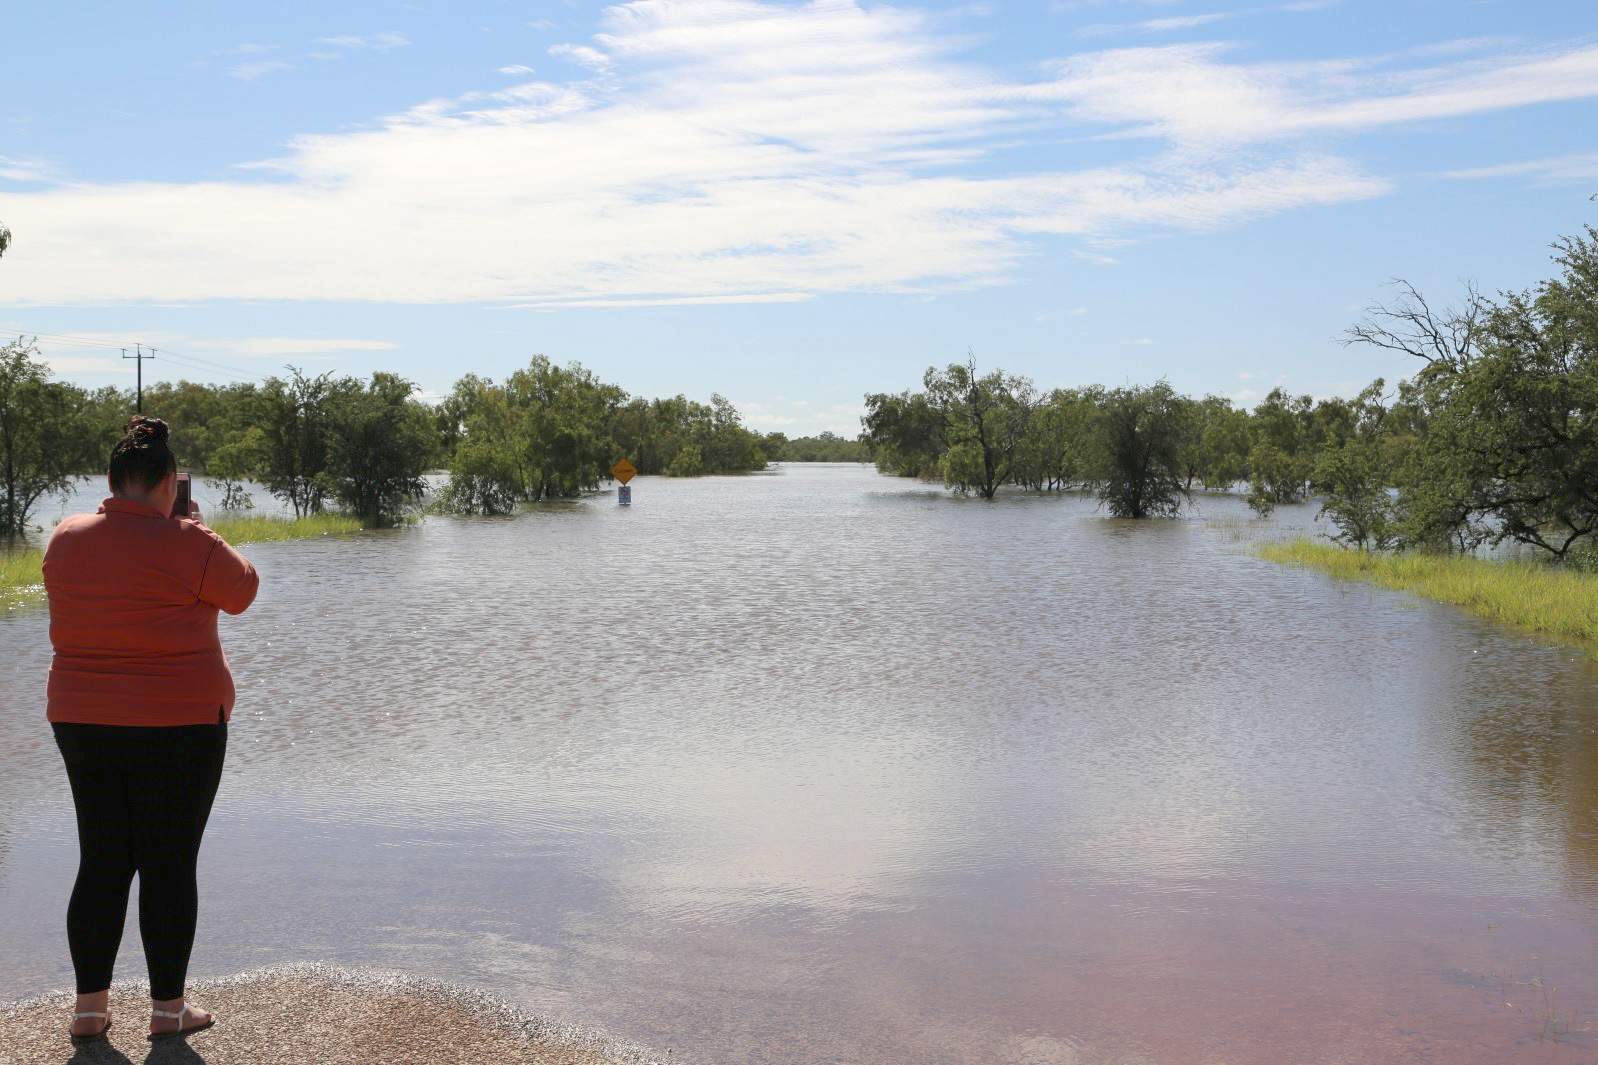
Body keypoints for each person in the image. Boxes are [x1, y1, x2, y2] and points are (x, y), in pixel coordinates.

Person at [42, 415, 259, 1045]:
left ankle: (90, 1009)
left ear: (110, 481)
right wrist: (194, 527)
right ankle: (167, 1012)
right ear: (171, 482)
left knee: (102, 860)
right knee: (168, 864)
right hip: (182, 725)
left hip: (83, 720)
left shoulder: (64, 539)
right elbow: (244, 590)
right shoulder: (191, 543)